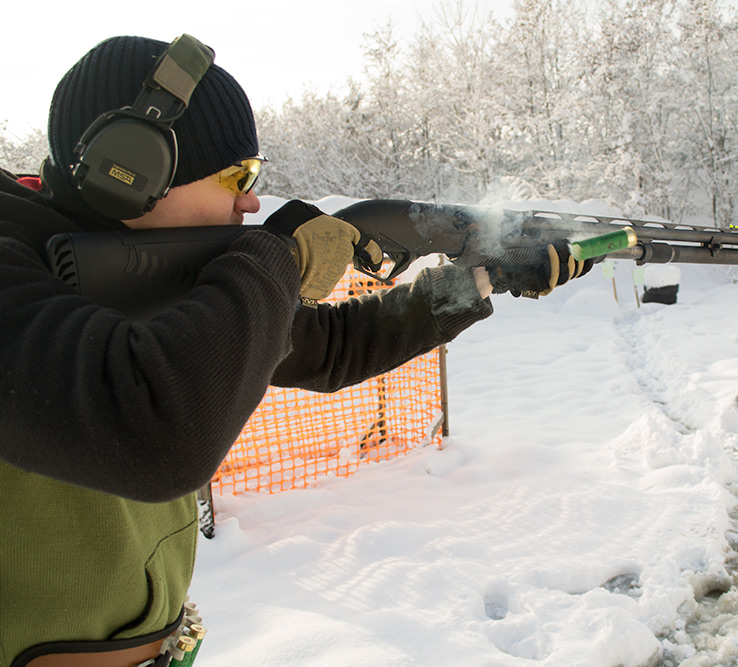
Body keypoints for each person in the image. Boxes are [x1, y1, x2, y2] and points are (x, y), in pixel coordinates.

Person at [0, 35, 590, 667]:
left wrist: (474, 281)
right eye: (236, 176)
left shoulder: (139, 278)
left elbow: (328, 349)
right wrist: (276, 260)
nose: (252, 200)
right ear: (131, 167)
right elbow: (156, 439)